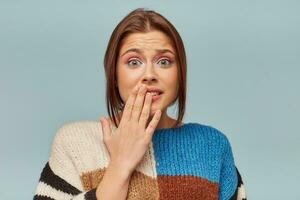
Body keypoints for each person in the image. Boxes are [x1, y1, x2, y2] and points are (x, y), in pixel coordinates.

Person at [34, 8, 247, 200]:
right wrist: (121, 164)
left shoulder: (212, 145)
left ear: (180, 74)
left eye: (164, 62)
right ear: (114, 75)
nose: (149, 75)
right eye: (134, 62)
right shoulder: (75, 142)